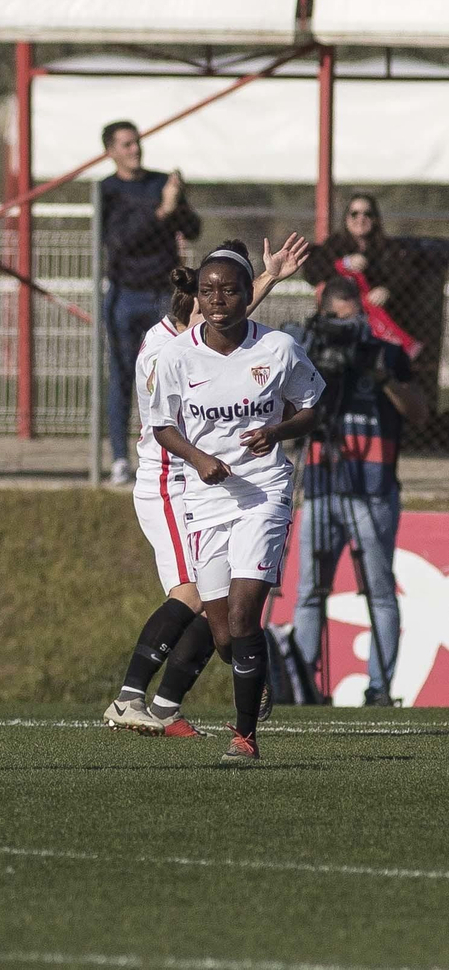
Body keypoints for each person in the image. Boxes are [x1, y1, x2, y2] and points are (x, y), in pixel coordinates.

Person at [105, 235, 310, 737]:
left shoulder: (198, 336)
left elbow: (232, 330)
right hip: (169, 478)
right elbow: (215, 338)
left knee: (215, 605)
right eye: (208, 298)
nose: (220, 311)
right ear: (192, 306)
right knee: (189, 595)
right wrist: (267, 278)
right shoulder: (166, 349)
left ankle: (166, 704)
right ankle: (129, 697)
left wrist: (269, 276)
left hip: (208, 481)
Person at [149, 240, 325, 764]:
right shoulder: (177, 355)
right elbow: (162, 426)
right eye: (208, 291)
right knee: (224, 634)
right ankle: (255, 675)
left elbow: (311, 407)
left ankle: (244, 737)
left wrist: (277, 431)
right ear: (197, 297)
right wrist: (198, 458)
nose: (218, 299)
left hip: (264, 491)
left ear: (249, 294)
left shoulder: (279, 348)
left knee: (246, 614)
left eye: (229, 290)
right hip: (207, 498)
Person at [290, 275, 429, 706]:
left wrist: (382, 376)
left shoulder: (386, 353)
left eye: (351, 321)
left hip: (373, 490)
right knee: (310, 592)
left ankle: (380, 689)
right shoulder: (308, 355)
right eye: (336, 321)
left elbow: (420, 413)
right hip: (321, 485)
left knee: (379, 592)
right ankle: (302, 688)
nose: (344, 331)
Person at [100, 120, 202, 486]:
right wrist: (161, 211)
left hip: (164, 293)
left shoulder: (160, 183)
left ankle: (178, 453)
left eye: (137, 142)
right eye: (126, 144)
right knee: (123, 374)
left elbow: (192, 229)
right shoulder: (107, 191)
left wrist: (177, 202)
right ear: (111, 151)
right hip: (125, 292)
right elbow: (121, 240)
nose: (135, 150)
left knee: (173, 374)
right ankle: (119, 457)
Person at [303, 193, 443, 425]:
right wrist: (343, 264)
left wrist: (388, 289)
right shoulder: (334, 247)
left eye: (367, 213)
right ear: (346, 218)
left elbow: (407, 273)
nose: (361, 219)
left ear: (376, 218)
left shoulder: (388, 250)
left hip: (379, 333)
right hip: (340, 330)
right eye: (354, 213)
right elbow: (312, 271)